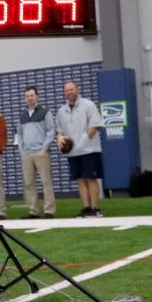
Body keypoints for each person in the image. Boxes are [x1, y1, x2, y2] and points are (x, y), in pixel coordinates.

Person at [55, 81, 103, 217]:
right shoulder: (61, 111)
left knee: (91, 178)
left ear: (77, 89)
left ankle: (95, 208)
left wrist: (83, 141)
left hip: (89, 149)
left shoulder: (89, 105)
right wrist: (59, 137)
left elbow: (94, 126)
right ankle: (86, 207)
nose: (69, 92)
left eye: (71, 89)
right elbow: (59, 129)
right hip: (72, 152)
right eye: (66, 90)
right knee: (80, 179)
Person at [16, 86, 56, 219]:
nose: (29, 98)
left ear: (37, 96)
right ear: (24, 98)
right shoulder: (22, 116)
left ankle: (49, 210)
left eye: (32, 95)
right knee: (29, 184)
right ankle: (33, 211)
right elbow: (19, 134)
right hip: (27, 154)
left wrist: (44, 149)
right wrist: (22, 150)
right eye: (27, 96)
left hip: (41, 153)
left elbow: (51, 131)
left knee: (46, 182)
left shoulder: (45, 112)